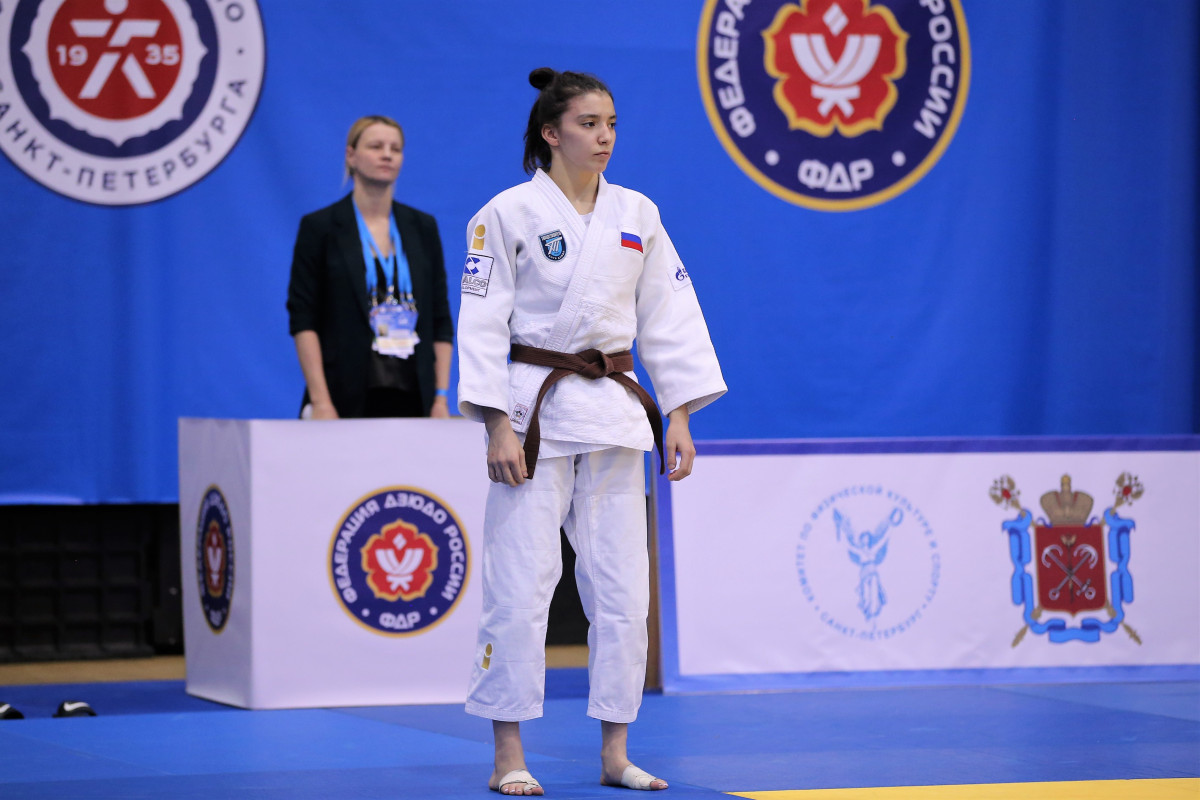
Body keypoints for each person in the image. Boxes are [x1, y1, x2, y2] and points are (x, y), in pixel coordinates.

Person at [456, 68, 727, 795]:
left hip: (613, 412)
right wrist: (495, 423)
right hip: (534, 415)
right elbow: (481, 324)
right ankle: (508, 754)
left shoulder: (638, 212)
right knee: (520, 584)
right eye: (588, 124)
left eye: (611, 124)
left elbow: (670, 316)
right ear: (551, 133)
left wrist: (678, 412)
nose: (604, 137)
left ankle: (615, 752)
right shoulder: (505, 213)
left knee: (622, 591)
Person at [287, 115, 453, 419]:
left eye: (395, 149)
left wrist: (440, 398)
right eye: (376, 146)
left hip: (415, 396)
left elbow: (440, 319)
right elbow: (303, 320)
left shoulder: (422, 227)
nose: (387, 155)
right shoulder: (320, 227)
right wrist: (321, 401)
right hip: (341, 396)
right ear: (351, 155)